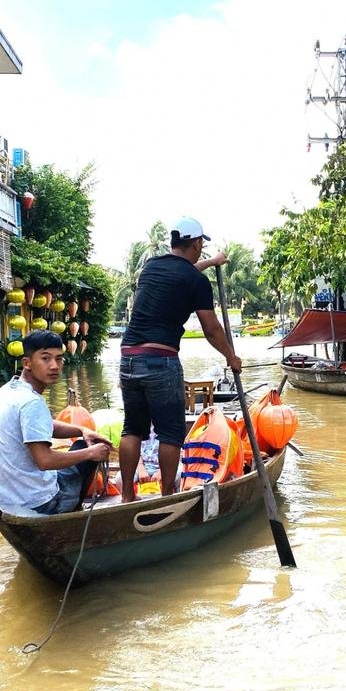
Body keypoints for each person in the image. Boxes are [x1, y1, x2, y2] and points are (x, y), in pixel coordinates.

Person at [119, 215, 242, 502]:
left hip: (128, 357)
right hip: (160, 360)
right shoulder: (195, 282)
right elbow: (212, 329)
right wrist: (231, 358)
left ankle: (127, 497)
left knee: (132, 428)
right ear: (197, 243)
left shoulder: (151, 268)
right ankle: (167, 495)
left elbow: (185, 273)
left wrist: (211, 264)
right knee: (171, 433)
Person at [0, 330, 112, 516]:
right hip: (38, 502)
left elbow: (42, 425)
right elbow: (45, 460)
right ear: (27, 363)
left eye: (59, 359)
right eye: (45, 359)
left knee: (83, 441)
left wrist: (82, 429)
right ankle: (70, 511)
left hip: (3, 497)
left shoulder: (9, 390)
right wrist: (91, 452)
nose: (54, 366)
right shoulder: (32, 403)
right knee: (88, 449)